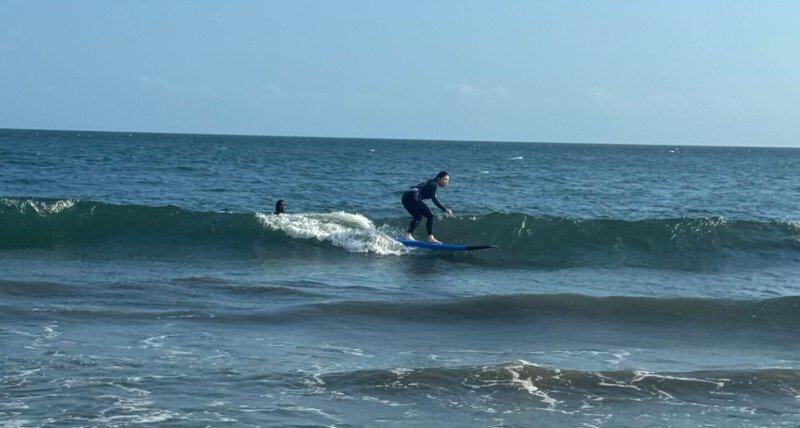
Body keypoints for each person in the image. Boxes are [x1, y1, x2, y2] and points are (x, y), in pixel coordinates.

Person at [401, 171, 454, 243]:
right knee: (430, 215)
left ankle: (407, 234)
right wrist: (445, 209)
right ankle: (430, 237)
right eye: (444, 179)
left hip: (405, 196)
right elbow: (435, 200)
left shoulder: (430, 182)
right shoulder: (434, 185)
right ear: (438, 178)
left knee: (418, 216)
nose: (446, 182)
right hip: (412, 195)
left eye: (448, 180)